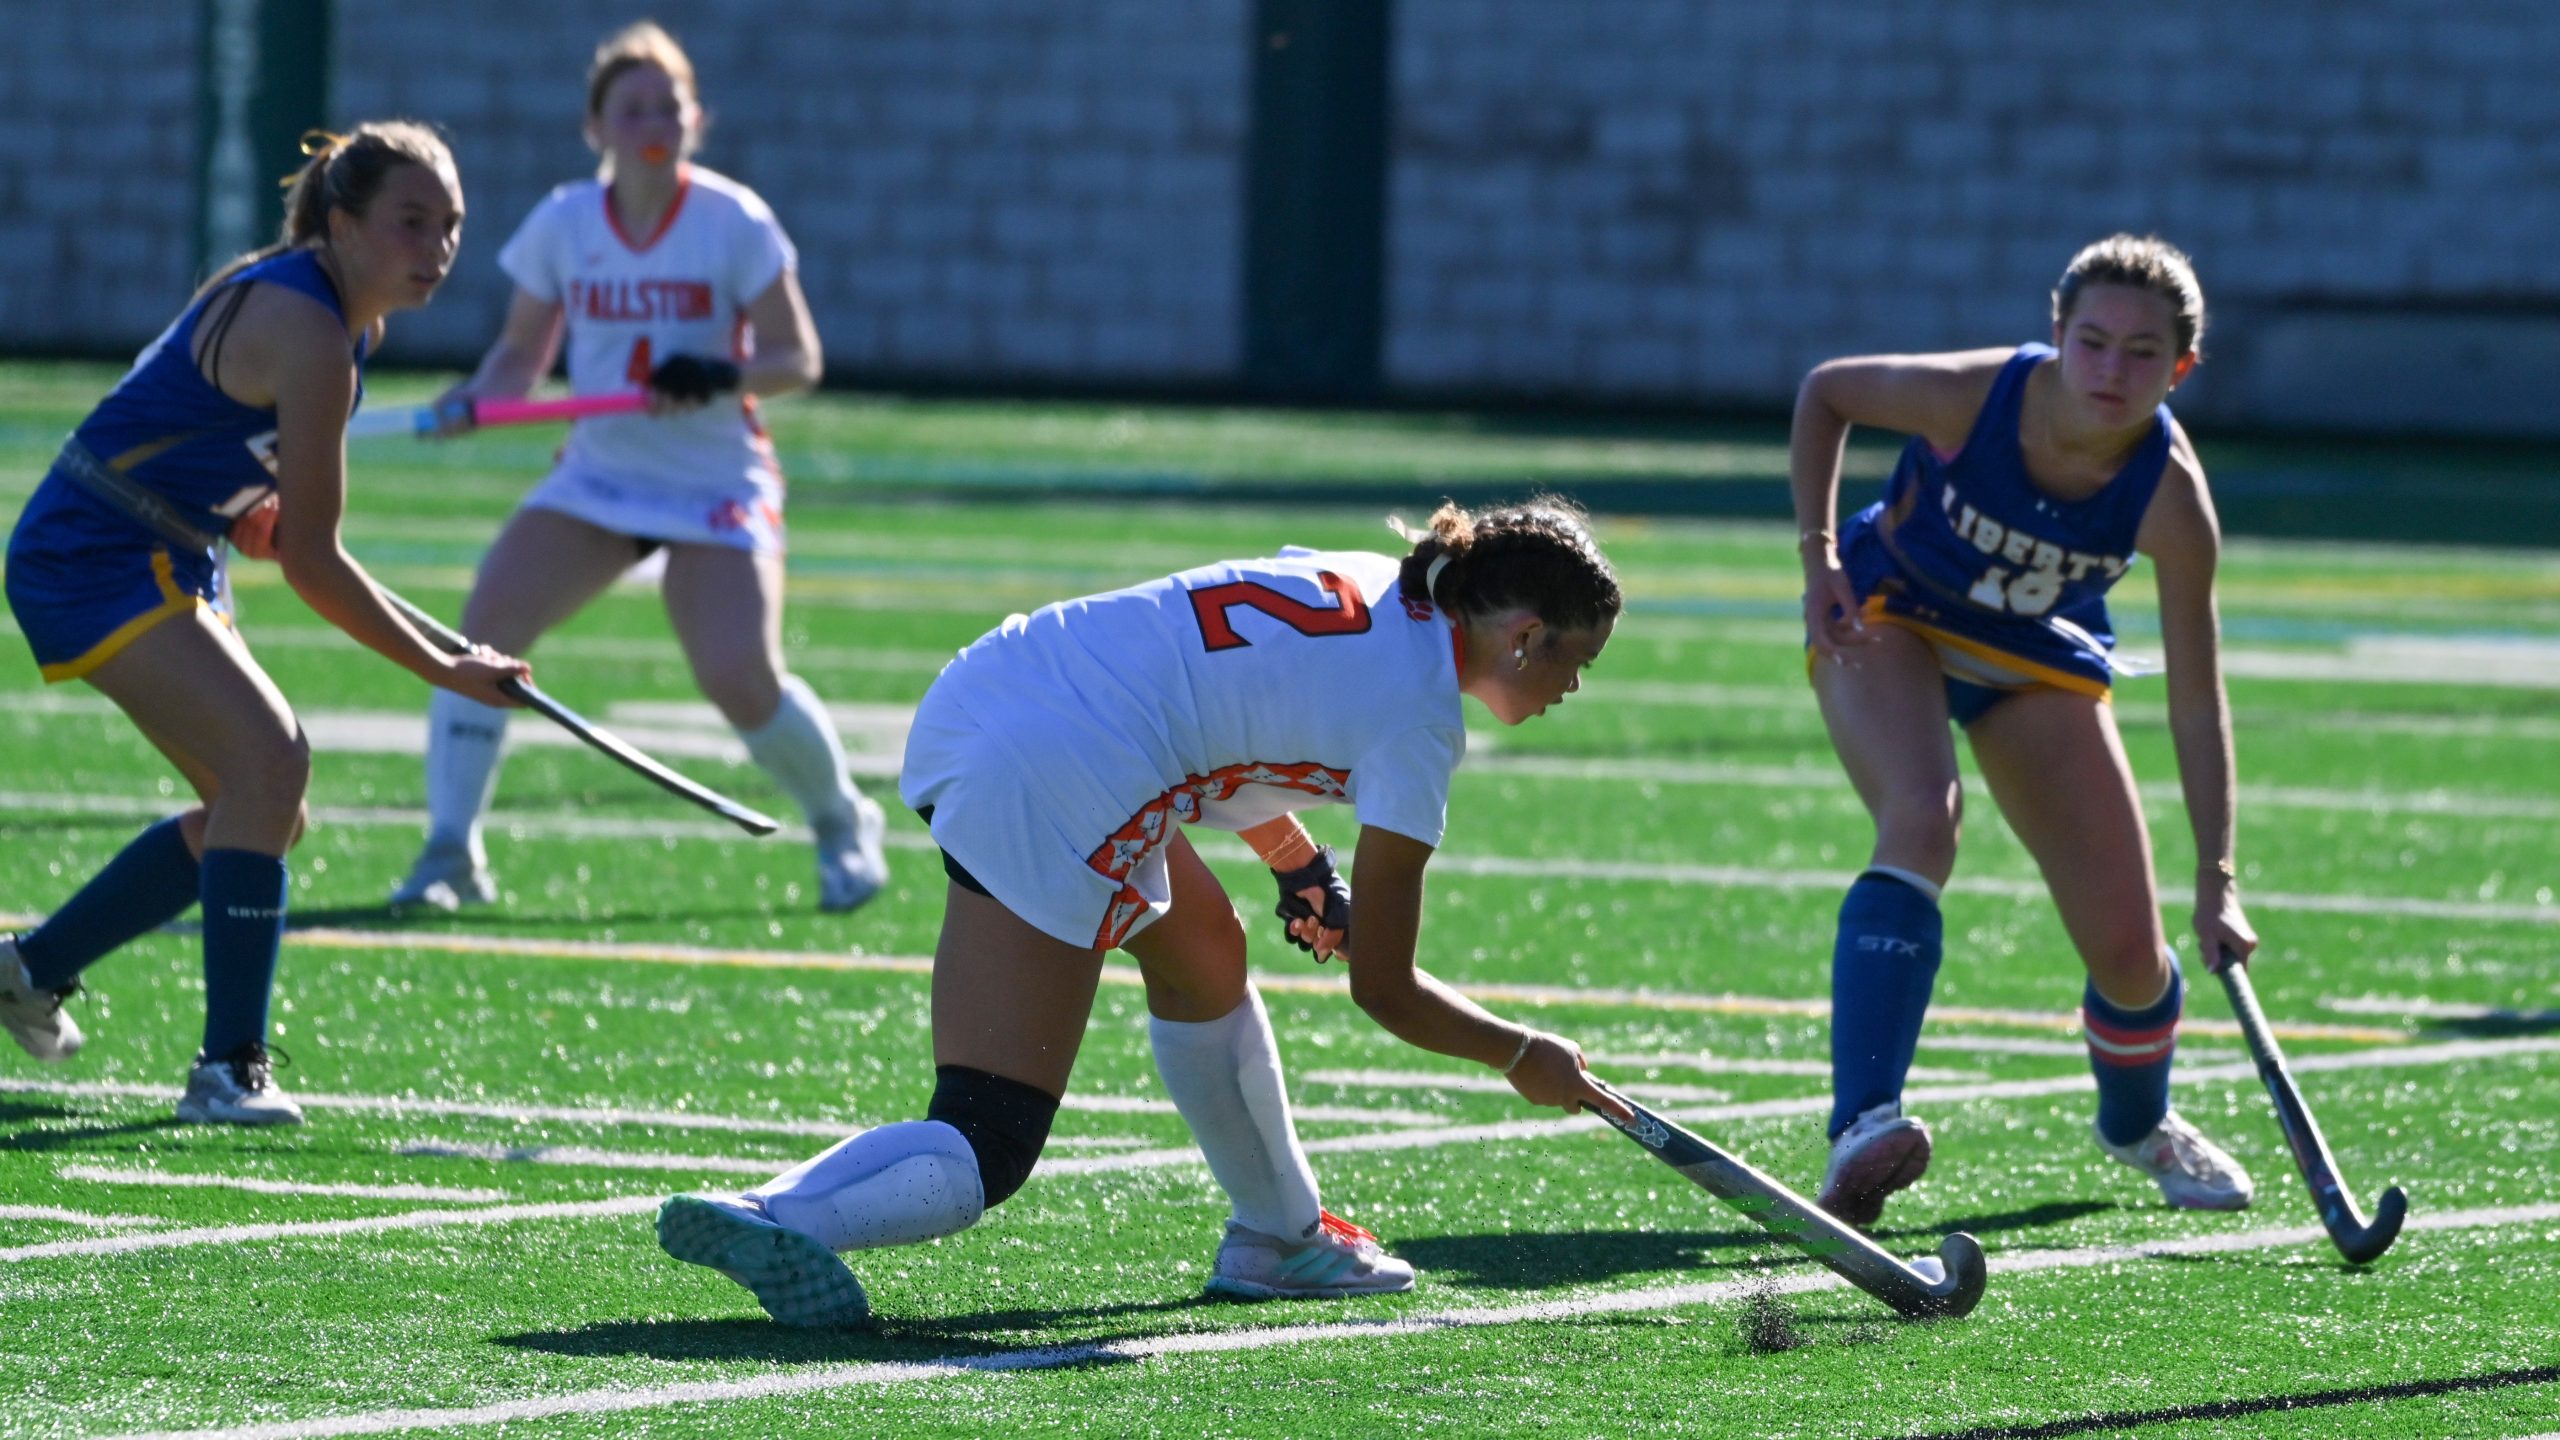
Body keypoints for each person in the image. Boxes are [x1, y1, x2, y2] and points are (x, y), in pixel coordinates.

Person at [654, 499, 1634, 1325]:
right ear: (1521, 637)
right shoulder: (1419, 724)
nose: (1572, 687)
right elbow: (1384, 987)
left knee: (1204, 952)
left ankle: (1278, 1239)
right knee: (990, 1136)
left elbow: (1228, 702)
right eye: (1572, 662)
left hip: (996, 688)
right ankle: (780, 1216)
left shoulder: (1371, 577)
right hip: (1066, 769)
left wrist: (1293, 858)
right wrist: (1519, 1055)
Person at [0, 124, 529, 1123]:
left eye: (451, 225)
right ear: (342, 223)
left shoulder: (338, 320)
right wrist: (446, 666)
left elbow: (214, 447)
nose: (438, 246)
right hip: (97, 549)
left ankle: (30, 969)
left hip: (163, 542)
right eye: (411, 222)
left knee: (261, 809)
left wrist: (243, 505)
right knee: (272, 766)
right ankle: (225, 1069)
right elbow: (318, 562)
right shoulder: (313, 331)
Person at [1789, 233, 2258, 1226]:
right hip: (1890, 611)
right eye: (2091, 342)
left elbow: (2194, 696)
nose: (2110, 370)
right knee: (1922, 819)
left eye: (2142, 354)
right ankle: (1862, 1123)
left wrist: (2216, 878)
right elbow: (1826, 392)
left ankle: (2137, 1123)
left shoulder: (2172, 499)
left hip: (2034, 653)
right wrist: (1818, 556)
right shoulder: (1977, 396)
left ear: (2179, 370)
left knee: (2131, 954)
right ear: (2056, 335)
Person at [391, 21, 887, 913]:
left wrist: (719, 375)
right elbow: (520, 357)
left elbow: (797, 358)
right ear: (598, 129)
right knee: (479, 634)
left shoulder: (733, 220)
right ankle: (449, 850)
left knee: (739, 675)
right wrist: (476, 399)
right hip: (600, 478)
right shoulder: (566, 222)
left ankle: (842, 819)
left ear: (696, 118)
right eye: (633, 108)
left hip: (715, 482)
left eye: (670, 105)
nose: (654, 122)